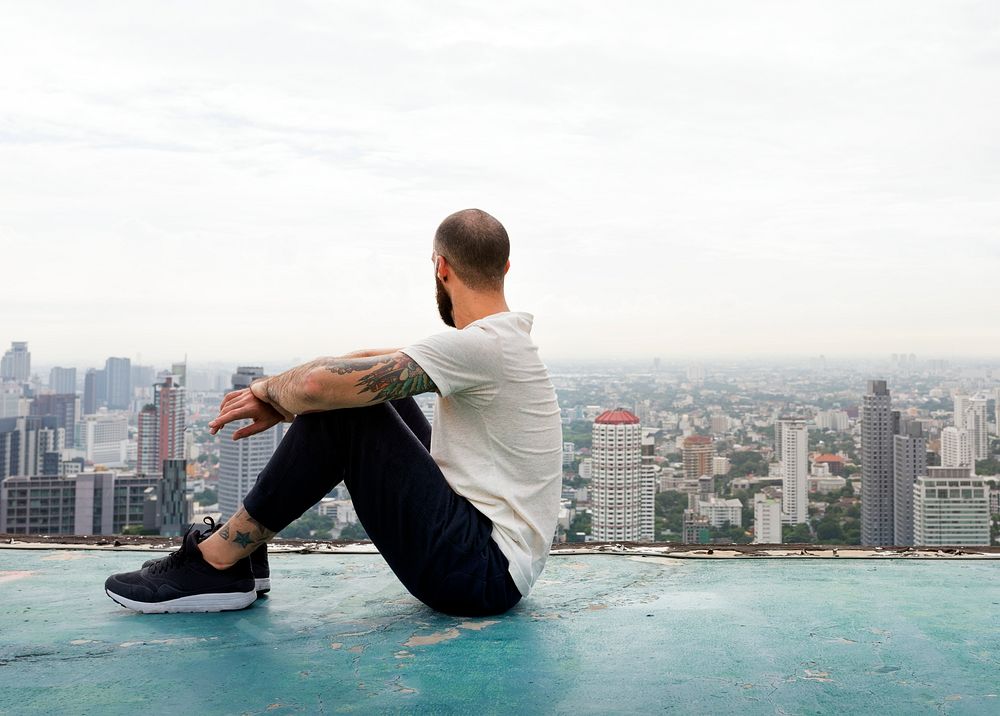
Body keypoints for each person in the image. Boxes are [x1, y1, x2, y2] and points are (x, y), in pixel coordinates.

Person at [104, 209, 563, 617]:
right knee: (373, 394)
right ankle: (243, 553)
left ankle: (218, 560)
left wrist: (269, 392)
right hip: (483, 561)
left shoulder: (482, 347)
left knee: (348, 411)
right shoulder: (496, 342)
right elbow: (363, 363)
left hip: (479, 575)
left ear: (440, 267)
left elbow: (319, 385)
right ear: (504, 268)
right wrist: (286, 401)